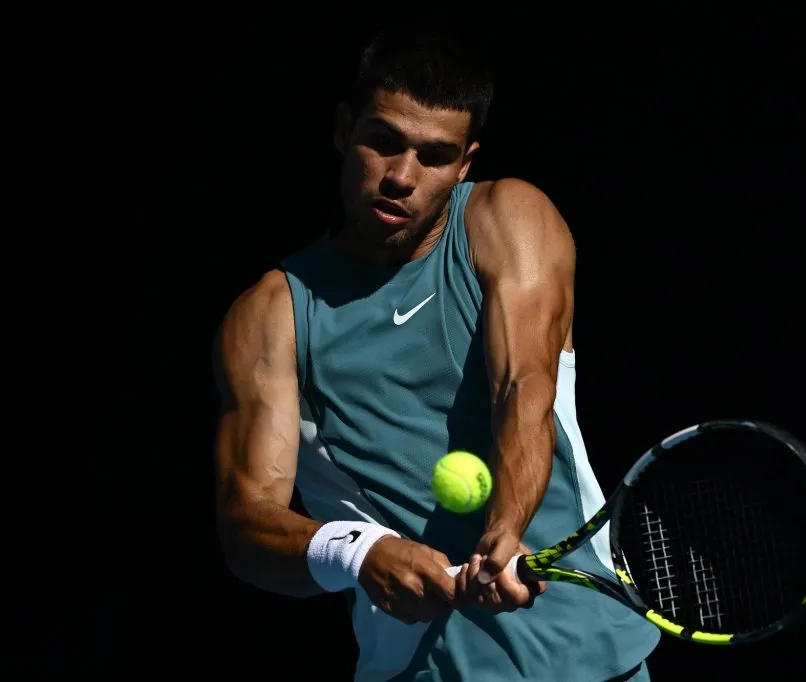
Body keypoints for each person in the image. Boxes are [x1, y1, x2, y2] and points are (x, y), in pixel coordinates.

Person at [212, 22, 660, 681]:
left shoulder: (508, 220)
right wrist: (357, 551)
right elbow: (247, 526)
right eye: (383, 142)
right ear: (343, 129)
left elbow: (524, 388)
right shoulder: (271, 315)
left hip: (601, 658)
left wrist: (504, 530)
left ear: (466, 162)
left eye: (435, 156)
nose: (401, 176)